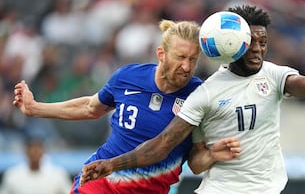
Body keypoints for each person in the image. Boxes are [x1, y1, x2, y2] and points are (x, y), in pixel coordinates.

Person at [79, 5, 305, 194]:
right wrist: (113, 164)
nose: (259, 48)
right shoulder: (205, 93)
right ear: (233, 43)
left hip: (267, 188)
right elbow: (169, 149)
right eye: (251, 42)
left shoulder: (273, 75)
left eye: (263, 41)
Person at [12, 19, 240, 194]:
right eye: (180, 57)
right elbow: (90, 107)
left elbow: (196, 163)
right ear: (161, 54)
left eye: (193, 59)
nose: (186, 66)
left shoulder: (199, 94)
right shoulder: (129, 76)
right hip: (100, 182)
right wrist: (35, 108)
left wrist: (211, 155)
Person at [0, 135, 72, 194]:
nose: (35, 151)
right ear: (25, 151)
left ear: (43, 151)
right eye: (31, 147)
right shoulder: (12, 175)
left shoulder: (58, 175)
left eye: (38, 147)